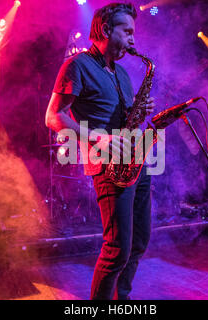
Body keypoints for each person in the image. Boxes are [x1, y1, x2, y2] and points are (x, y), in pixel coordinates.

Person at [45, 2, 155, 300]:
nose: (133, 38)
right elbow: (53, 116)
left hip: (134, 161)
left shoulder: (121, 74)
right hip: (107, 165)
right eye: (127, 31)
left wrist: (139, 111)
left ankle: (123, 299)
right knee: (117, 248)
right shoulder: (78, 65)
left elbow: (126, 119)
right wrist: (97, 138)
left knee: (140, 242)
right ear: (106, 29)